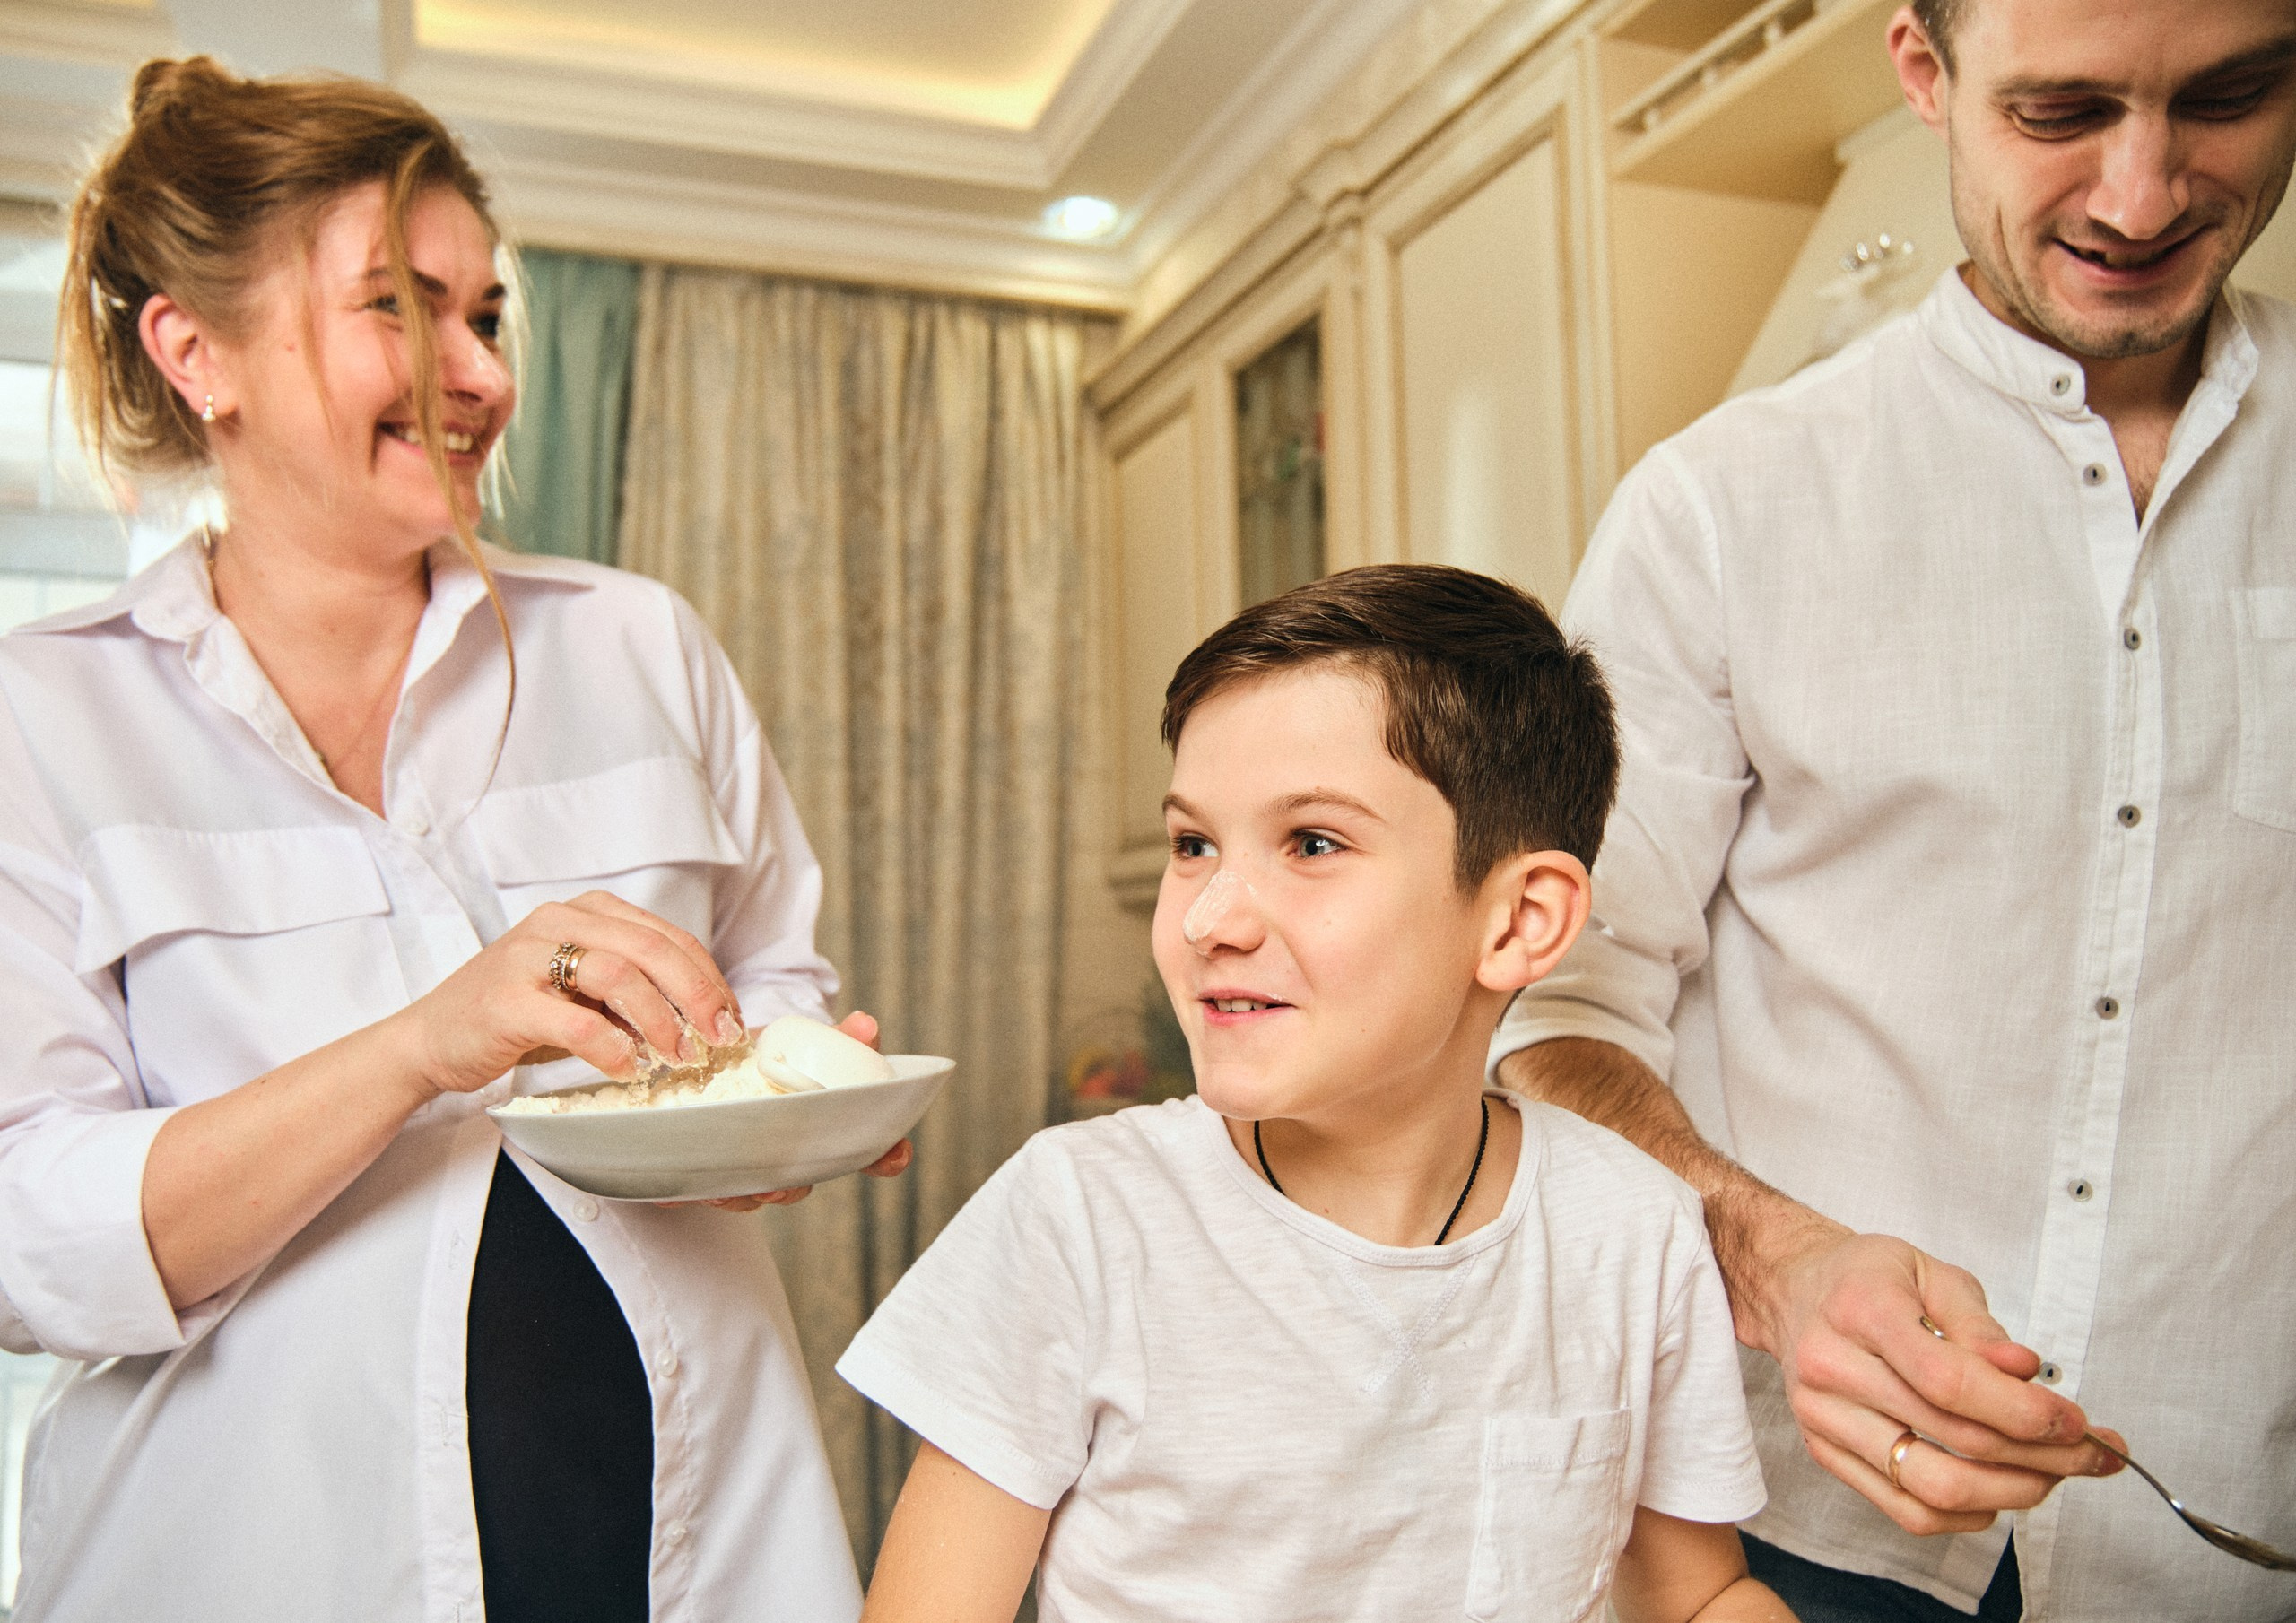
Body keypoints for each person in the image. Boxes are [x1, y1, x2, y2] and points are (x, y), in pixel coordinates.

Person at [0, 57, 903, 1622]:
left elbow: (772, 979)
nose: (478, 371)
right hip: (242, 1559)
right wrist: (423, 1046)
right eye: (401, 309)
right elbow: (26, 1236)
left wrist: (786, 1098)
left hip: (677, 1530)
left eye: (486, 317)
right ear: (196, 351)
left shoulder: (640, 643)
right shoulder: (41, 714)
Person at [1492, 0, 2296, 1619]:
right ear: (1925, 72)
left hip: (2236, 1532)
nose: (2141, 195)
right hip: (1797, 1532)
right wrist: (1772, 1258)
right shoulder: (1721, 506)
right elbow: (1550, 1012)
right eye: (2062, 113)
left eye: (2229, 97)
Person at [837, 566, 1794, 1623]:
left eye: (1312, 844)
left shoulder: (1632, 1231)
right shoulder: (1079, 1218)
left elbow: (1699, 1598)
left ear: (1520, 921)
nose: (1209, 919)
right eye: (1193, 844)